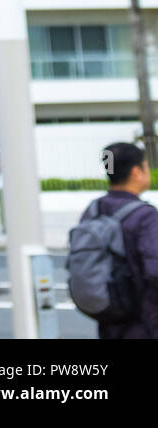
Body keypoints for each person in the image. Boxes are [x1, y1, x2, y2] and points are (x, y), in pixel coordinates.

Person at [84, 142, 158, 338]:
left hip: (108, 320)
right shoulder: (146, 216)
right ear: (136, 172)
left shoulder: (94, 209)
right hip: (144, 324)